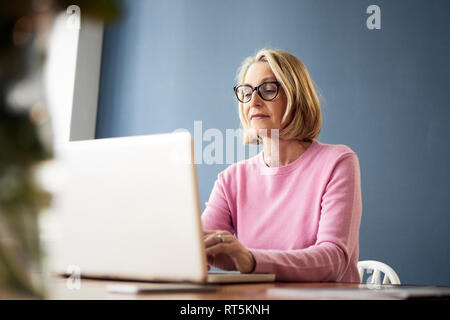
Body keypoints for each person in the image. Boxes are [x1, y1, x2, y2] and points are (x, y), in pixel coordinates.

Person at [202, 48, 362, 282]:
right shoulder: (231, 179)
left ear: (297, 97)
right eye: (246, 92)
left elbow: (334, 259)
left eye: (267, 90)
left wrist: (251, 260)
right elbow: (198, 251)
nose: (253, 102)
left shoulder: (337, 162)